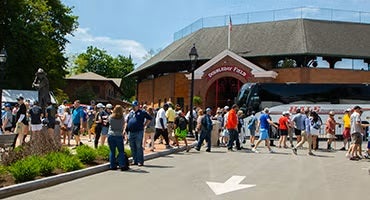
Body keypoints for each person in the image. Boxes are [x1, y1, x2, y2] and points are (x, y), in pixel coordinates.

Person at [126, 101, 152, 166]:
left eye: (134, 106)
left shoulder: (142, 112)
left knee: (138, 146)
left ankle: (140, 161)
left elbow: (149, 118)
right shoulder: (131, 113)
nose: (133, 107)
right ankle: (135, 160)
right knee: (132, 146)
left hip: (138, 132)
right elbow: (128, 121)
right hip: (131, 132)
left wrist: (144, 125)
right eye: (132, 106)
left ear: (137, 106)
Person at [108, 105, 129, 171]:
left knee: (112, 151)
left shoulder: (111, 117)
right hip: (119, 135)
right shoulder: (122, 118)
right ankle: (122, 165)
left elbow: (109, 123)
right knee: (121, 151)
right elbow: (123, 125)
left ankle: (112, 165)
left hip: (111, 134)